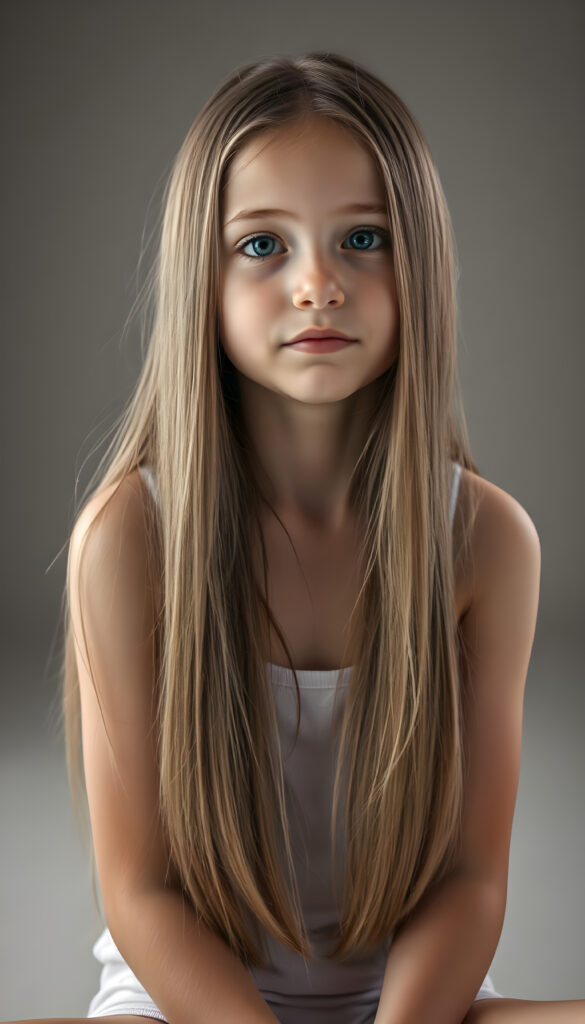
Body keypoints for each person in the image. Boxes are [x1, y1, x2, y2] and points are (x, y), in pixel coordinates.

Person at [10, 52, 585, 1024]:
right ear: (203, 272)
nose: (318, 283)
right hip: (184, 1006)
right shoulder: (126, 537)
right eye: (263, 246)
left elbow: (471, 880)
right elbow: (143, 892)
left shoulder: (489, 540)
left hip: (419, 1004)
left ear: (423, 267)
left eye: (363, 237)